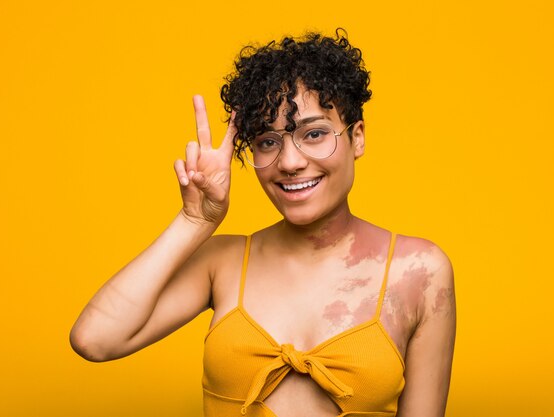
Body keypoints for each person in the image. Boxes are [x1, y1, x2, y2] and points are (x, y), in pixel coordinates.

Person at [70, 29, 456, 417]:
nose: (289, 162)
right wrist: (194, 221)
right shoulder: (222, 262)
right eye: (268, 142)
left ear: (357, 138)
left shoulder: (419, 271)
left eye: (315, 133)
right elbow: (95, 339)